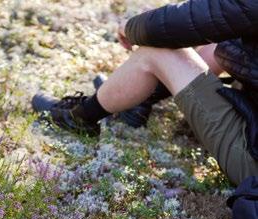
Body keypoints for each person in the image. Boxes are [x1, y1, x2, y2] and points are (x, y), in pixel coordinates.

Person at [32, 0, 258, 186]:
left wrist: (131, 26)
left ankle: (80, 118)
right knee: (227, 39)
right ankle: (138, 99)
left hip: (252, 167)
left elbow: (184, 22)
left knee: (156, 51)